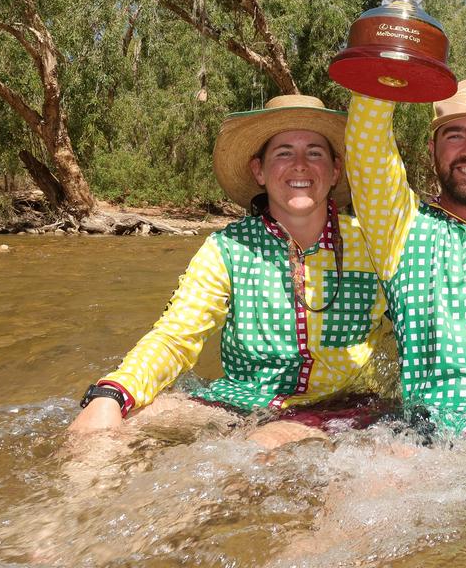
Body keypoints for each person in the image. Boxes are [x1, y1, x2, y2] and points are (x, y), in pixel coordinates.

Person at [68, 95, 391, 450]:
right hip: (240, 402)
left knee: (260, 445)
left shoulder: (377, 245)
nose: (300, 165)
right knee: (100, 431)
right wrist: (112, 394)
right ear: (259, 171)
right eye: (284, 152)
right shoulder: (227, 248)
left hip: (343, 407)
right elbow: (175, 337)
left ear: (334, 170)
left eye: (315, 152)